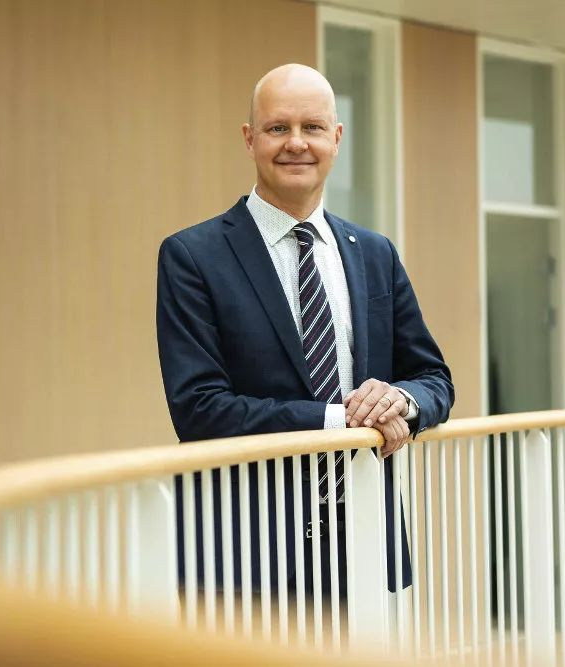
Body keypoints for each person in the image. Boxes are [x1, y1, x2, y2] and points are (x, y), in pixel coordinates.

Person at [156, 64, 454, 599]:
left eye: (312, 127)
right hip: (245, 553)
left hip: (363, 537)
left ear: (336, 138)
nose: (296, 143)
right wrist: (342, 421)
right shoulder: (192, 256)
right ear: (250, 139)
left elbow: (433, 378)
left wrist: (402, 403)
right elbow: (199, 409)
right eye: (278, 128)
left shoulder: (376, 254)